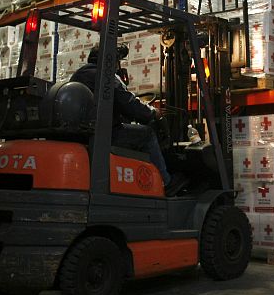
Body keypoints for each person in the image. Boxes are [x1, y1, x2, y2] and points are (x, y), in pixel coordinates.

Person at [70, 45, 187, 196]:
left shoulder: (79, 74)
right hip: (104, 135)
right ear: (111, 61)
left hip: (86, 132)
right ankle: (166, 182)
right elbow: (128, 103)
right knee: (147, 134)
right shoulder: (105, 76)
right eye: (118, 61)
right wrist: (152, 113)